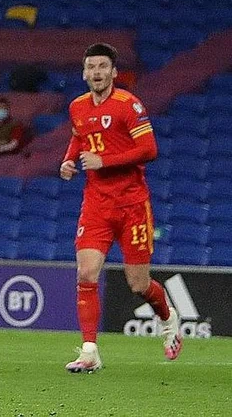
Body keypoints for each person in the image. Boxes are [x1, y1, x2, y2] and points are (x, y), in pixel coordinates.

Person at [61, 43, 180, 373]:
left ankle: (169, 319)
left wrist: (105, 161)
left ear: (113, 72)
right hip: (96, 204)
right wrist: (69, 160)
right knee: (86, 272)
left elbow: (149, 149)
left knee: (138, 284)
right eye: (90, 67)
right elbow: (79, 137)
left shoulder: (130, 105)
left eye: (102, 66)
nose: (96, 72)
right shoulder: (77, 107)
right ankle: (89, 351)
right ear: (84, 73)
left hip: (131, 204)